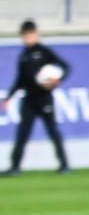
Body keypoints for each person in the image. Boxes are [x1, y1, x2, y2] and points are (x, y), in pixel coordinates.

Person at [5, 21, 71, 176]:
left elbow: (65, 67)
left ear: (36, 34)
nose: (28, 38)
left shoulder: (44, 52)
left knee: (53, 131)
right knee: (22, 134)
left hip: (44, 98)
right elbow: (20, 80)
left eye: (30, 35)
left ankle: (64, 165)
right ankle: (15, 167)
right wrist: (9, 97)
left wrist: (58, 79)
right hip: (29, 100)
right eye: (25, 36)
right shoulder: (23, 56)